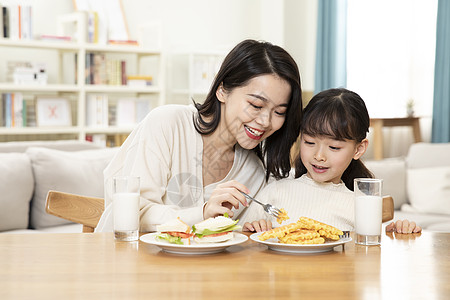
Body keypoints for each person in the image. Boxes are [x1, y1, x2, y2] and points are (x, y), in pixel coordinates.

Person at [96, 39, 303, 232]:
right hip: (126, 262)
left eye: (279, 112)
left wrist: (252, 229)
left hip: (194, 270)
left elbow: (229, 238)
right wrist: (202, 213)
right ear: (222, 90)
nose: (266, 121)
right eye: (256, 105)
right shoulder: (167, 124)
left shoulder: (254, 173)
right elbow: (134, 213)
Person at [241, 88, 422, 234]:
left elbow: (370, 256)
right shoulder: (274, 193)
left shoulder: (359, 206)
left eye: (334, 147)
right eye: (309, 142)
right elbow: (244, 238)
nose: (319, 156)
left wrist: (398, 231)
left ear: (358, 149)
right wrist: (252, 229)